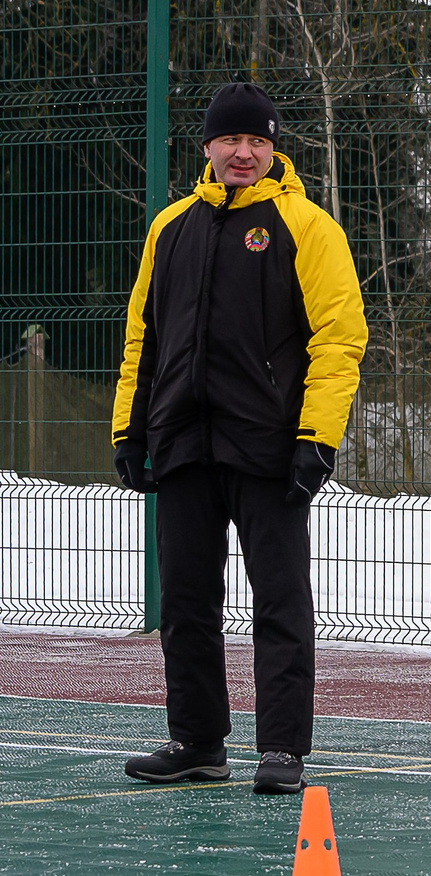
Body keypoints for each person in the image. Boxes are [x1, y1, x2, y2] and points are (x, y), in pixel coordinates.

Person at [110, 82, 367, 795]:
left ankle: (282, 748)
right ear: (208, 147)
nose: (243, 153)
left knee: (280, 600)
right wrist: (130, 428)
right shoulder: (170, 228)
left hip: (270, 447)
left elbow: (339, 340)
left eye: (257, 140)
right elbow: (143, 336)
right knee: (186, 602)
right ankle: (197, 742)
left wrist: (316, 439)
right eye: (231, 139)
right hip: (183, 444)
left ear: (274, 149)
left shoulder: (307, 226)